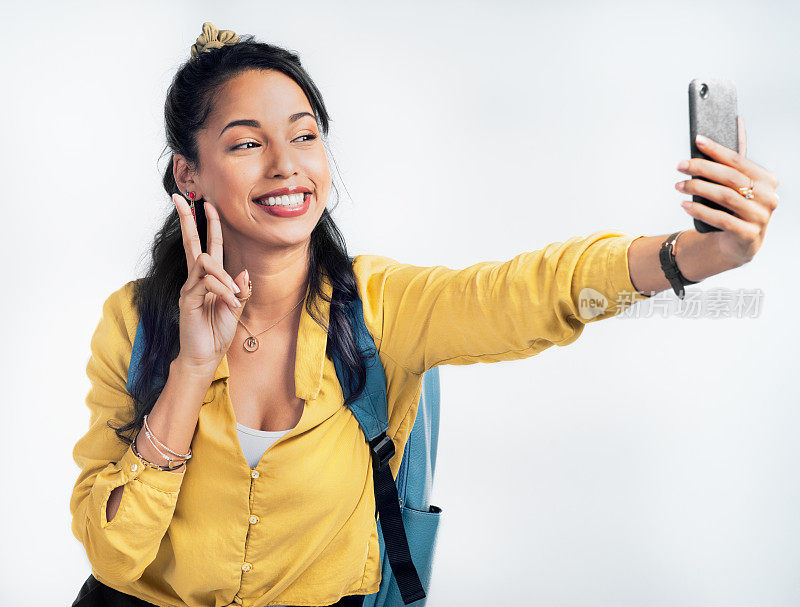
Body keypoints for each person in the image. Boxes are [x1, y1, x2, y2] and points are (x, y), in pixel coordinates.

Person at [69, 21, 779, 607]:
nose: (287, 165)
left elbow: (533, 291)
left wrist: (694, 255)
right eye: (248, 142)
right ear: (187, 172)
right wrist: (191, 370)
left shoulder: (382, 308)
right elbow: (113, 554)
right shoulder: (134, 321)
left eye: (305, 133)